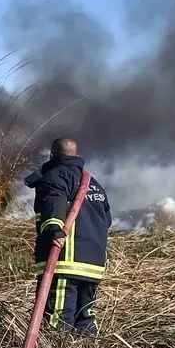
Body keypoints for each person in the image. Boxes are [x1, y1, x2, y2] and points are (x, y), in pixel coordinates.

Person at [23, 137, 112, 335]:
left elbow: (53, 205)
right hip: (93, 267)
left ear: (52, 155)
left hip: (65, 264)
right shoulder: (94, 184)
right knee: (85, 318)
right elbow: (107, 221)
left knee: (57, 321)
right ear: (77, 156)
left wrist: (53, 230)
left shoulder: (56, 177)